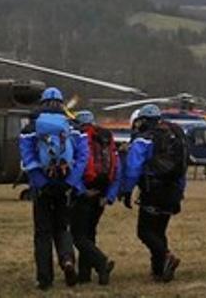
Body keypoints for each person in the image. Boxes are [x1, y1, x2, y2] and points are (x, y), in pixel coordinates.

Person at [19, 87, 88, 290]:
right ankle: (67, 260)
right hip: (65, 183)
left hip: (42, 186)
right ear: (61, 102)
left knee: (42, 233)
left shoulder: (31, 127)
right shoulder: (73, 125)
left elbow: (27, 158)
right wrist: (70, 182)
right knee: (62, 227)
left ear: (42, 102)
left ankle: (44, 278)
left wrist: (40, 182)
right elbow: (82, 158)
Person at [119, 104, 187, 282]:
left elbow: (134, 168)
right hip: (172, 190)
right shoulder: (173, 137)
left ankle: (166, 256)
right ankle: (159, 271)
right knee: (159, 231)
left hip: (153, 190)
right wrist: (180, 193)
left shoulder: (143, 140)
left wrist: (126, 191)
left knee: (144, 232)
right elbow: (182, 168)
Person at [71, 110, 119, 285]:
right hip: (102, 194)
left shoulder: (79, 138)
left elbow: (77, 166)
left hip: (84, 193)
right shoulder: (106, 139)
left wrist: (79, 189)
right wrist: (109, 194)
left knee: (78, 236)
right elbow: (116, 167)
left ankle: (101, 262)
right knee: (89, 233)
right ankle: (84, 275)